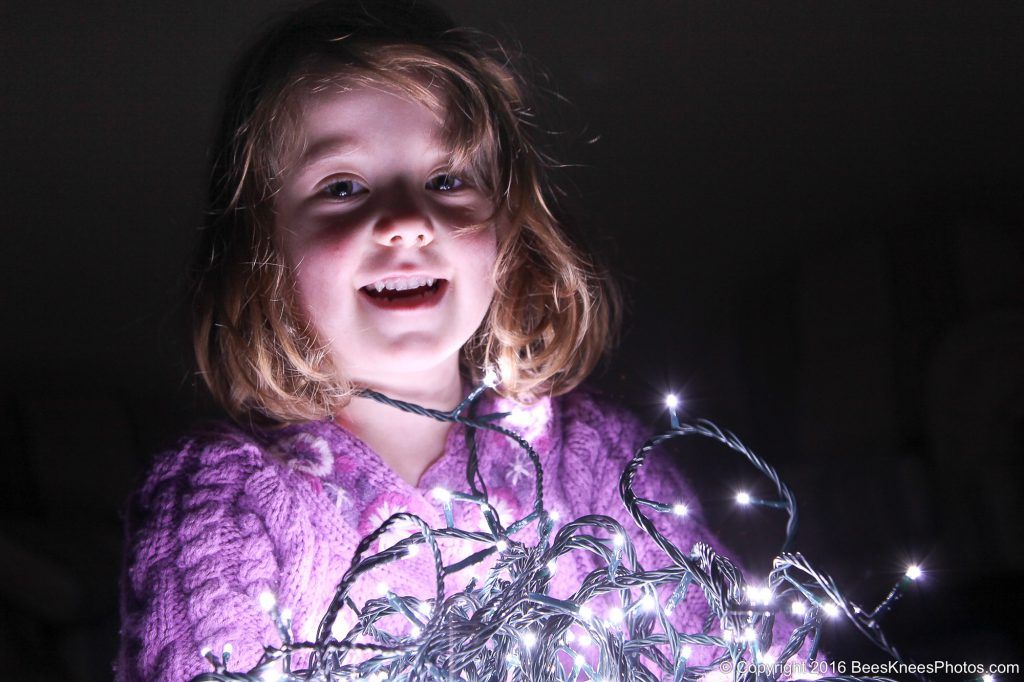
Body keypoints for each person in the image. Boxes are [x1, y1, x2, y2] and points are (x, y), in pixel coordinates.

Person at [116, 2, 800, 680]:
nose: (409, 220)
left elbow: (742, 653)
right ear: (260, 247)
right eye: (343, 186)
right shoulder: (228, 502)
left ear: (509, 230)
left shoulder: (597, 459)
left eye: (447, 180)